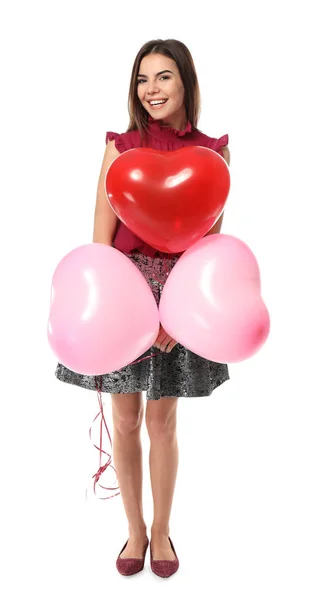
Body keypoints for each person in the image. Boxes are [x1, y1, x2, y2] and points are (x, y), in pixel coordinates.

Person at [55, 38, 231, 578]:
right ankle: (133, 529)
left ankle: (161, 531)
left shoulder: (213, 151)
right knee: (126, 419)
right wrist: (117, 310)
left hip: (180, 296)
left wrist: (179, 315)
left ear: (185, 83)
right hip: (124, 294)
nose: (151, 90)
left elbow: (209, 244)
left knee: (163, 420)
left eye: (163, 78)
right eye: (142, 79)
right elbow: (100, 240)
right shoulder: (120, 147)